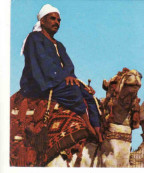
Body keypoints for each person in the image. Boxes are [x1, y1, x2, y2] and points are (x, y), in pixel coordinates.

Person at [20, 4, 102, 142]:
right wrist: (66, 78)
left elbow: (69, 66)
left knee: (89, 95)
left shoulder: (59, 45)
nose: (56, 23)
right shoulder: (35, 38)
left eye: (59, 20)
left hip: (58, 80)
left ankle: (98, 130)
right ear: (42, 21)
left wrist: (74, 79)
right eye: (53, 19)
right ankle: (87, 125)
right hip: (40, 83)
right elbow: (43, 64)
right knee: (73, 91)